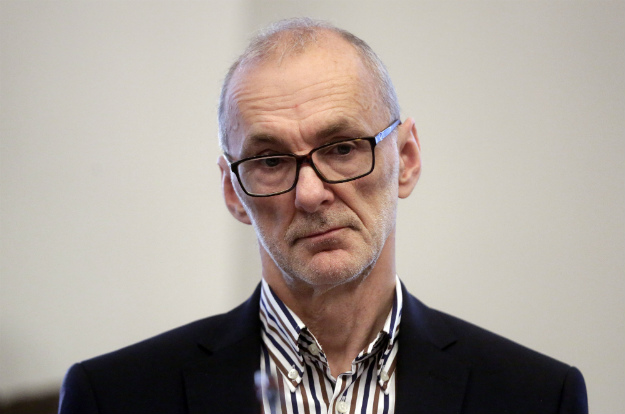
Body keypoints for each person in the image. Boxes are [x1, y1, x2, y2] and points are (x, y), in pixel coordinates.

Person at [58, 18, 588, 414]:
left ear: (405, 160)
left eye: (341, 148)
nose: (311, 194)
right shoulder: (114, 397)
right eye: (270, 161)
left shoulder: (536, 397)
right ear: (233, 191)